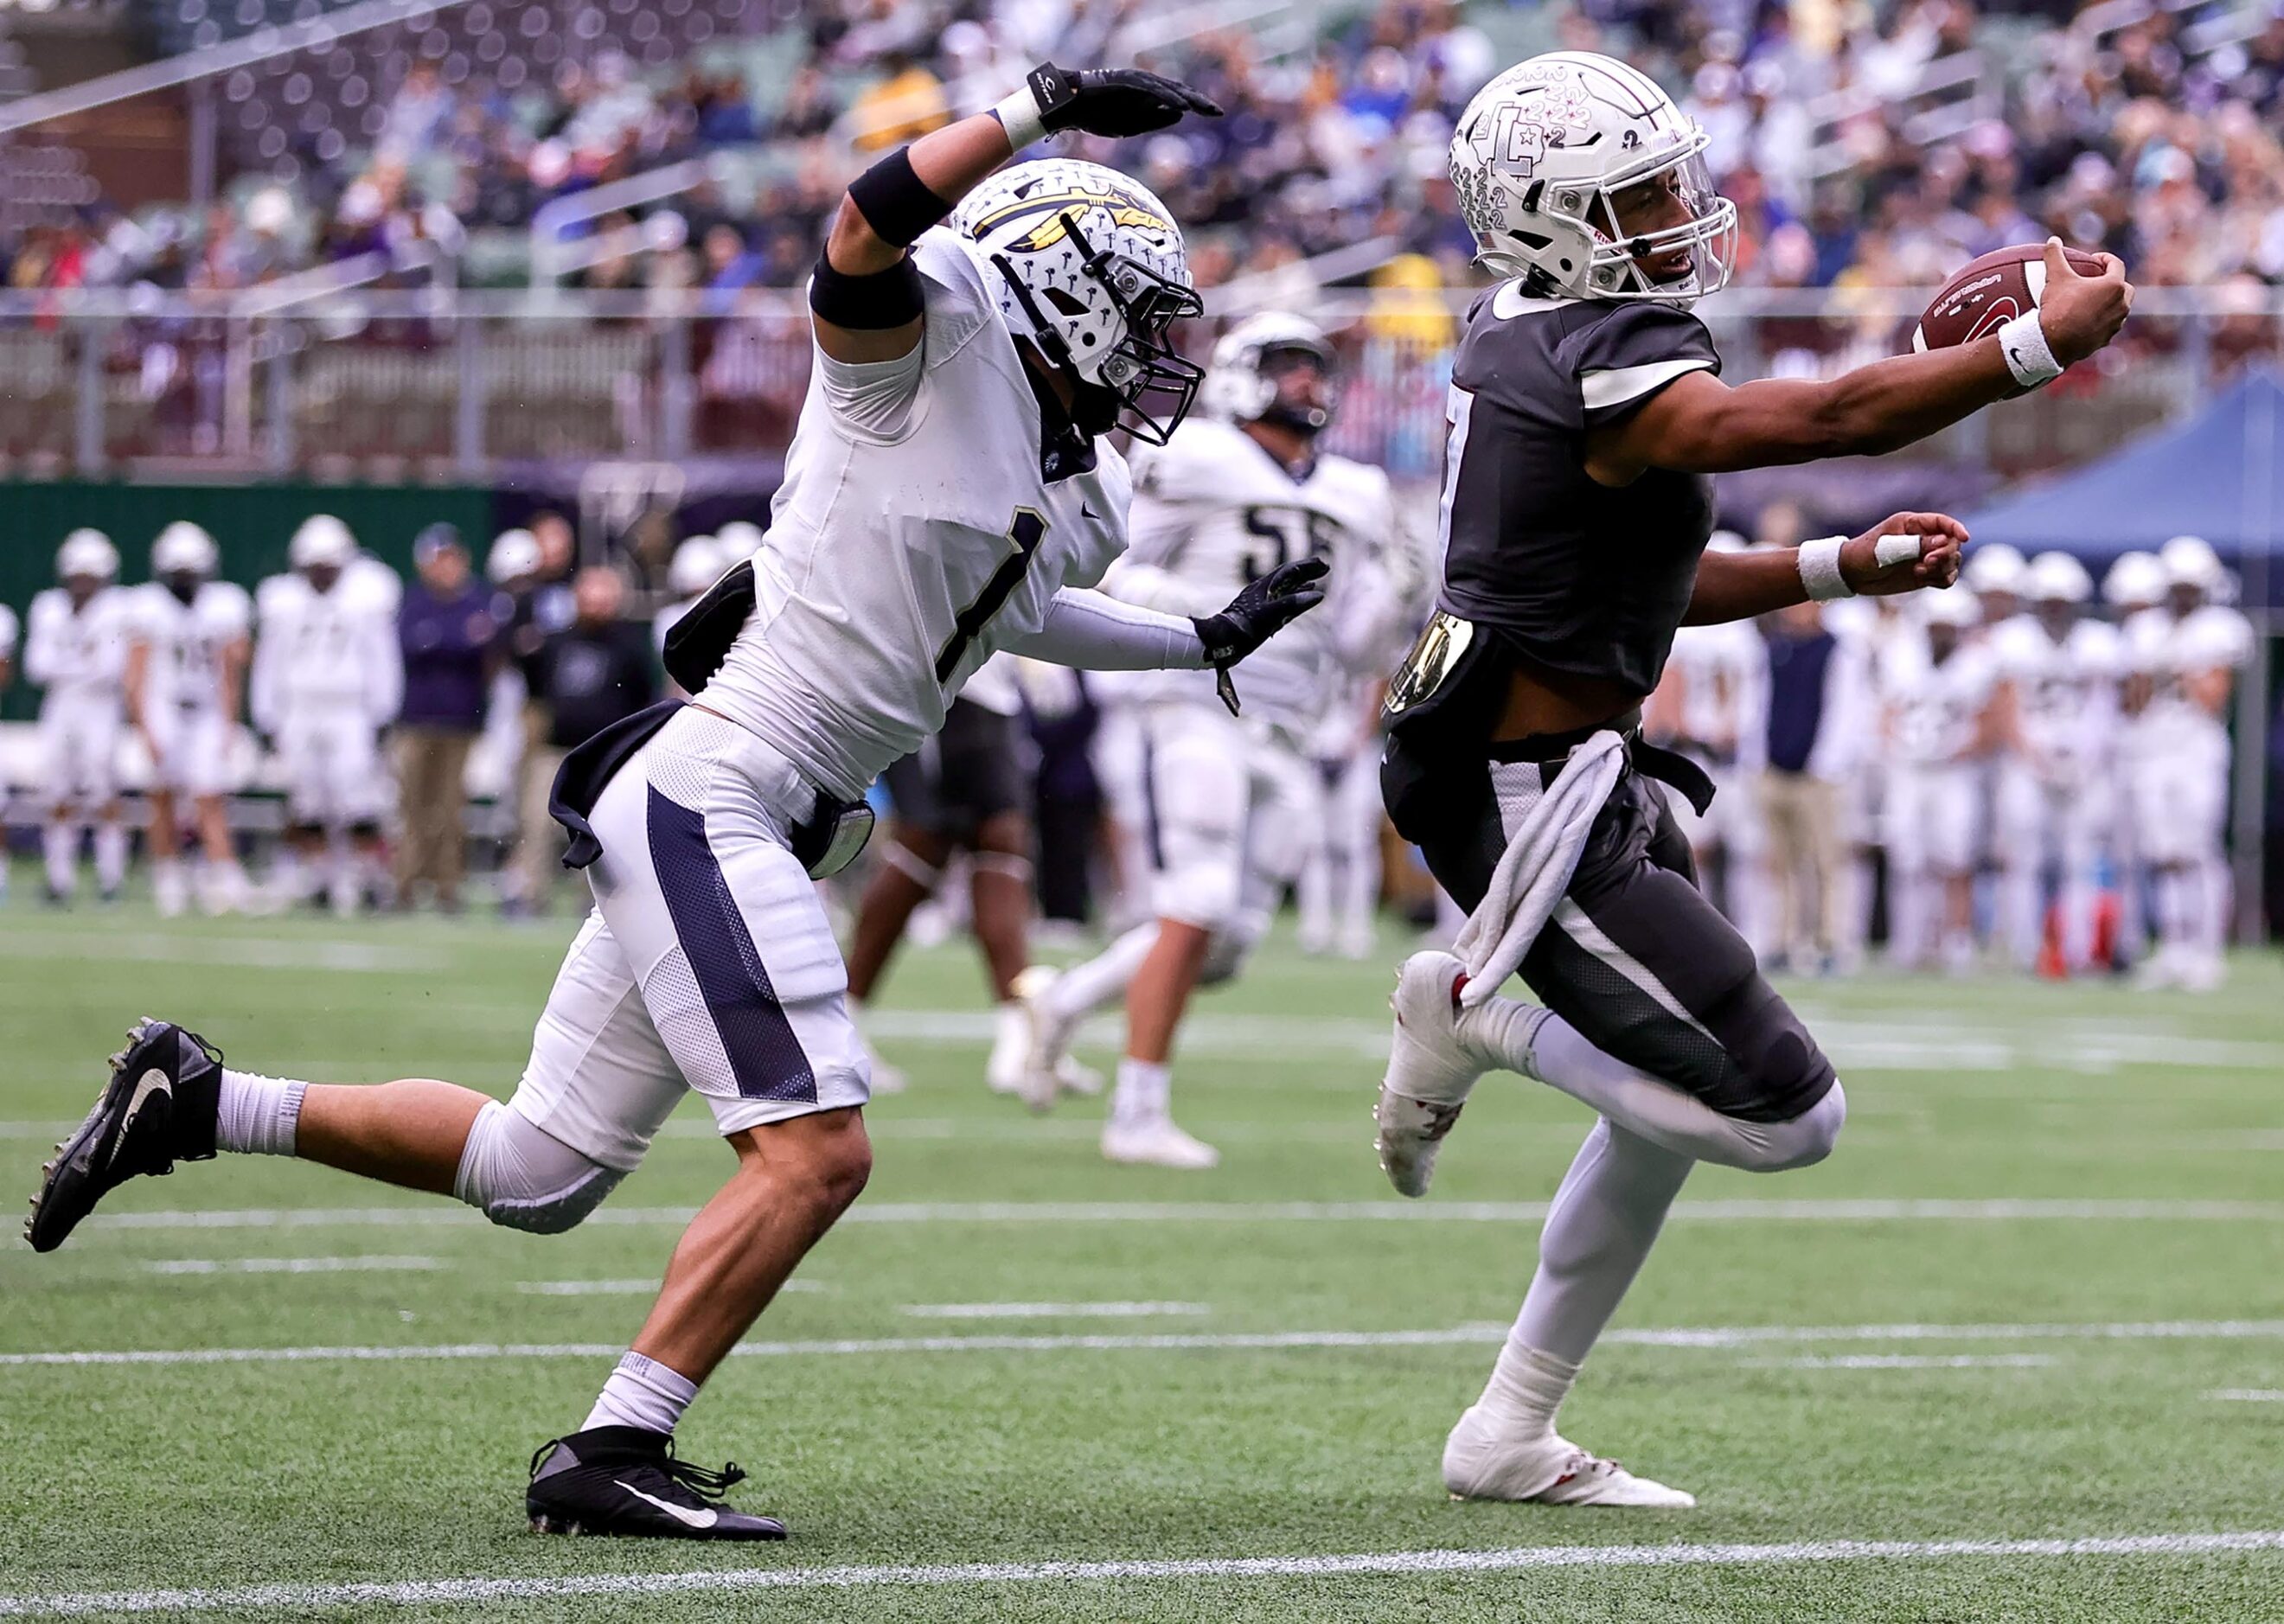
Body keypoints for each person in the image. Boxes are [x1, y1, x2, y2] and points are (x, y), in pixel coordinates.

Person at [28, 65, 1322, 1544]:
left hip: (758, 800)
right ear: (1062, 287)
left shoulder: (1081, 489)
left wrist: (1197, 639)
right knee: (817, 1151)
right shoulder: (926, 348)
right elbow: (859, 225)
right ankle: (610, 1444)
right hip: (724, 785)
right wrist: (1033, 108)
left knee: (538, 1169)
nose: (1169, 356)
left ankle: (199, 1096)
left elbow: (1016, 611)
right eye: (1149, 320)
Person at [1368, 49, 2130, 1508]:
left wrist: (1838, 565)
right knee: (1789, 1114)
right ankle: (1471, 1022)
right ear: (1550, 217)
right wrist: (2028, 347)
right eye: (1640, 194)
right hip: (1529, 793)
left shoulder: (1547, 340)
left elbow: (1640, 581)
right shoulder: (1591, 351)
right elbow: (1826, 418)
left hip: (1579, 769)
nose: (1679, 211)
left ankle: (1508, 1427)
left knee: (1661, 1112)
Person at [1015, 313, 1416, 1167]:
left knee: (1227, 940)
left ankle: (1067, 1001)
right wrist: (1192, 614)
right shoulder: (1195, 455)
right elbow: (1107, 565)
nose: (1310, 383)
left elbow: (1354, 645)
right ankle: (1136, 1113)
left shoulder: (1356, 491)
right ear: (1240, 374)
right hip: (1196, 698)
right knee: (1193, 899)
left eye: (1315, 368)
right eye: (1289, 366)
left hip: (1290, 726)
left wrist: (1390, 603)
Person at [842, 651, 1065, 1102]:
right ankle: (840, 1025)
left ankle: (1017, 1032)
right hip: (938, 679)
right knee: (928, 836)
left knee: (997, 838)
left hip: (988, 684)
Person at [251, 516, 404, 916]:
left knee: (359, 798)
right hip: (300, 708)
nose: (321, 573)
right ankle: (319, 878)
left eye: (328, 565)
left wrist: (383, 711)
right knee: (308, 801)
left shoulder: (364, 599)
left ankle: (368, 878)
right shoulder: (283, 602)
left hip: (348, 708)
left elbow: (381, 659)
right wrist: (266, 713)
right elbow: (270, 661)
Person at [2122, 534, 2254, 990]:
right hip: (2154, 748)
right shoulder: (2146, 628)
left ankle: (2207, 949)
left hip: (2196, 749)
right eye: (2176, 585)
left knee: (2199, 849)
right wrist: (2150, 672)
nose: (2182, 595)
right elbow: (2135, 702)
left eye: (2189, 586)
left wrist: (2175, 665)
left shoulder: (2220, 628)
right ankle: (2175, 945)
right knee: (2163, 853)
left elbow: (2212, 697)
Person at [1987, 552, 2121, 975]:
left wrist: (2086, 758)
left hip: (2084, 764)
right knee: (2022, 858)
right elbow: (2006, 703)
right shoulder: (2014, 640)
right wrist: (2034, 756)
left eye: (2063, 603)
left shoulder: (2099, 643)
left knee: (2080, 860)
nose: (2056, 612)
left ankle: (2078, 952)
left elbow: (2104, 706)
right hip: (2028, 761)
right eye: (2049, 602)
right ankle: (2025, 949)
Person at [1642, 532, 1768, 944]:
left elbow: (1743, 695)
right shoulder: (1693, 628)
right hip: (1691, 752)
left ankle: (1741, 932)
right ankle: (1704, 930)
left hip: (1730, 752)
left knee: (1745, 849)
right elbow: (1670, 696)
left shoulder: (1742, 634)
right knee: (1696, 847)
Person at [125, 522, 253, 917]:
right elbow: (136, 672)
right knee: (160, 794)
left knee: (209, 795)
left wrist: (230, 723)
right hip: (164, 706)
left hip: (205, 709)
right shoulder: (148, 605)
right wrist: (144, 726)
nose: (185, 582)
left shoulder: (224, 604)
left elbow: (232, 670)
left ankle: (224, 874)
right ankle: (168, 877)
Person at [516, 566, 659, 909]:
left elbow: (644, 697)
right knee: (536, 822)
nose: (596, 605)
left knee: (601, 826)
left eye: (604, 598)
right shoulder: (557, 640)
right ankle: (528, 892)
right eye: (590, 597)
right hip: (556, 750)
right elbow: (536, 688)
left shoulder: (629, 645)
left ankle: (594, 899)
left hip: (604, 755)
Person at [1880, 589, 1997, 972]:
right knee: (1907, 858)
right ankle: (1908, 940)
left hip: (1954, 772)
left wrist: (1954, 749)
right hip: (1909, 770)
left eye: (1949, 628)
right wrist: (1900, 745)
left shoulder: (1977, 664)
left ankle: (1957, 942)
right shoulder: (1900, 657)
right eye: (1936, 627)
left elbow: (1988, 723)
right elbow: (1886, 713)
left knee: (1956, 857)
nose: (1942, 636)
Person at [1755, 596, 1869, 974]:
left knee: (1827, 861)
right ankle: (1783, 940)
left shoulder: (1837, 650)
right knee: (1781, 862)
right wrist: (1758, 759)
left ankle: (1831, 942)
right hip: (1776, 769)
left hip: (1817, 776)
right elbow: (1759, 705)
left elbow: (1843, 710)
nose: (1794, 611)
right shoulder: (1776, 647)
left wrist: (1825, 765)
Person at [393, 525, 499, 911]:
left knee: (451, 810)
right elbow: (414, 645)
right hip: (418, 720)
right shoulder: (415, 601)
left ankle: (446, 886)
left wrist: (441, 642)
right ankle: (405, 883)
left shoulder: (476, 600)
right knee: (412, 807)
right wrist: (455, 642)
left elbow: (481, 645)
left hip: (460, 721)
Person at [25, 531, 134, 905]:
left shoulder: (117, 608)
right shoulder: (49, 606)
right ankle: (59, 878)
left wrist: (67, 665)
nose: (83, 584)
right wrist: (80, 664)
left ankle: (110, 877)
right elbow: (36, 666)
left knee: (104, 790)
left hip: (100, 708)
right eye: (78, 576)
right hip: (61, 707)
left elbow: (111, 668)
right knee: (57, 791)